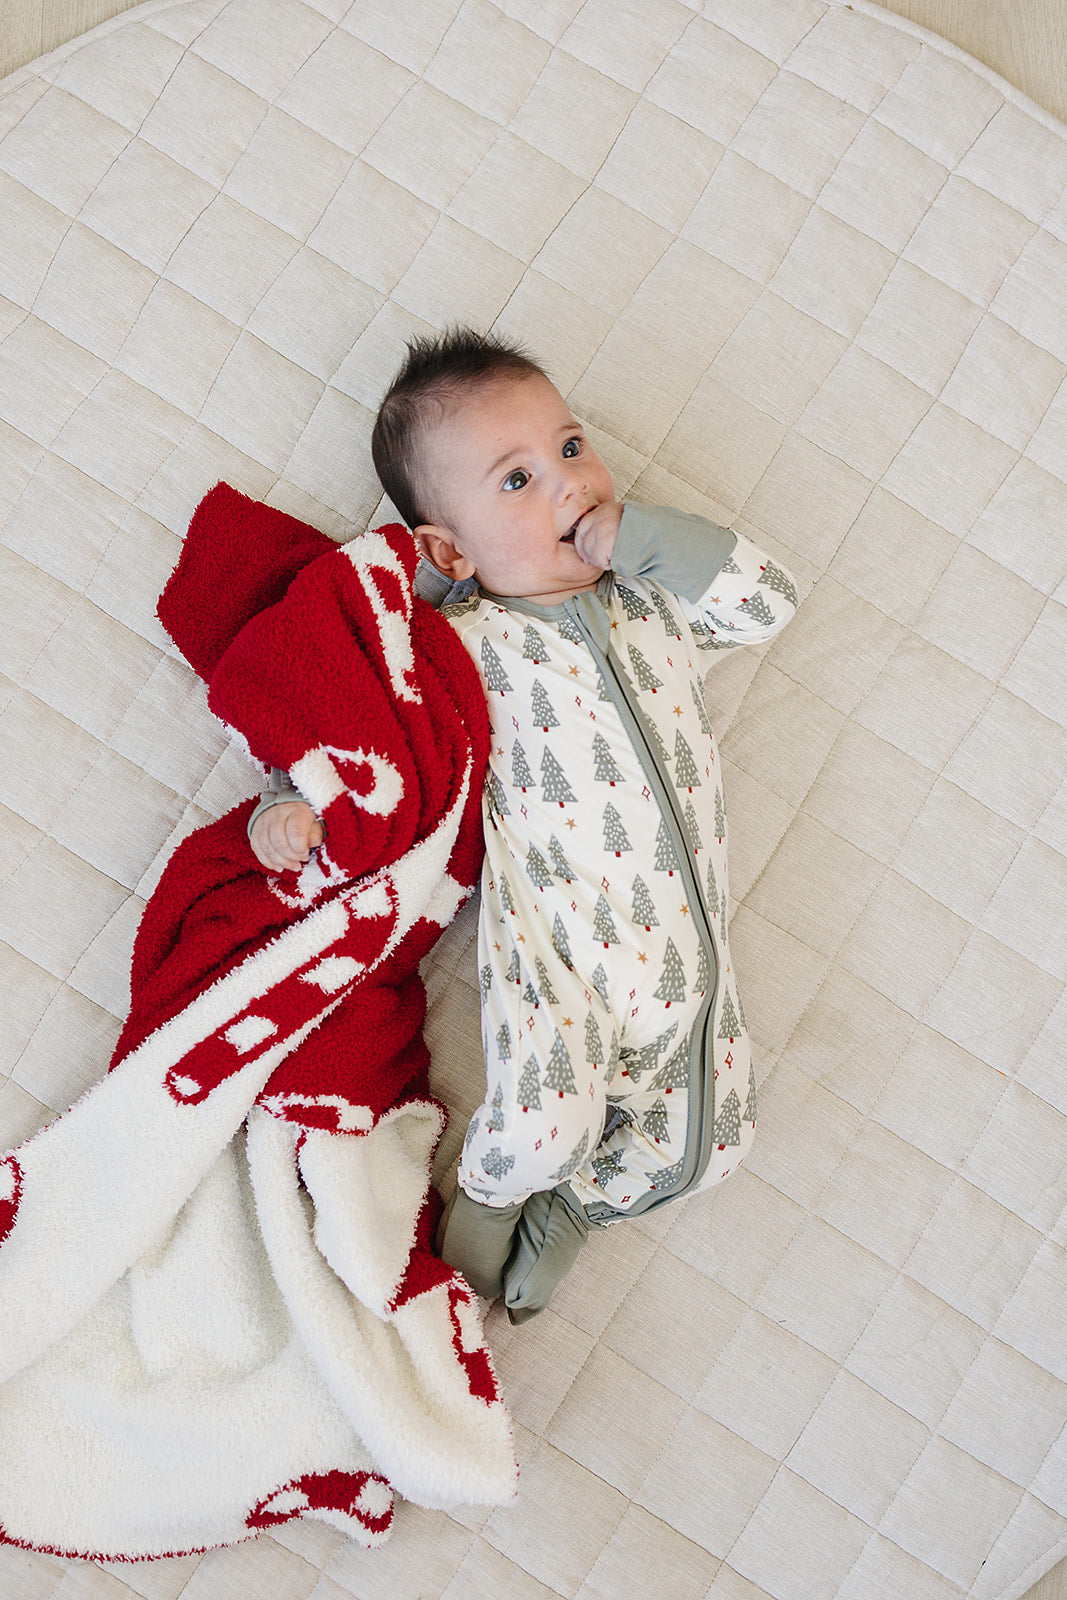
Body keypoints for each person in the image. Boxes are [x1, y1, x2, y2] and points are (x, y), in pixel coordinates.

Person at [250, 327, 798, 1321]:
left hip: (689, 977)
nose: (568, 483)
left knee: (715, 1147)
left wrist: (645, 541)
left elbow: (767, 603)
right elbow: (358, 718)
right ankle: (480, 1227)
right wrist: (289, 798)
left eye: (571, 446)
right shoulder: (462, 646)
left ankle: (574, 1212)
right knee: (542, 1130)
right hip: (558, 967)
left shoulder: (654, 607)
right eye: (517, 478)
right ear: (450, 551)